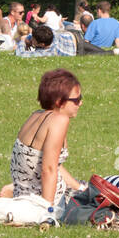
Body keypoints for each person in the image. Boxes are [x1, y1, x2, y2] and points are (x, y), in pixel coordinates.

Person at [10, 69, 85, 211]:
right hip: (49, 200)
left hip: (23, 192)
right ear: (59, 102)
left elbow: (54, 164)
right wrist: (47, 211)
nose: (80, 103)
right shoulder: (59, 120)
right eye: (76, 100)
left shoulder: (36, 116)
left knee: (90, 188)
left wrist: (79, 187)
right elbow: (48, 170)